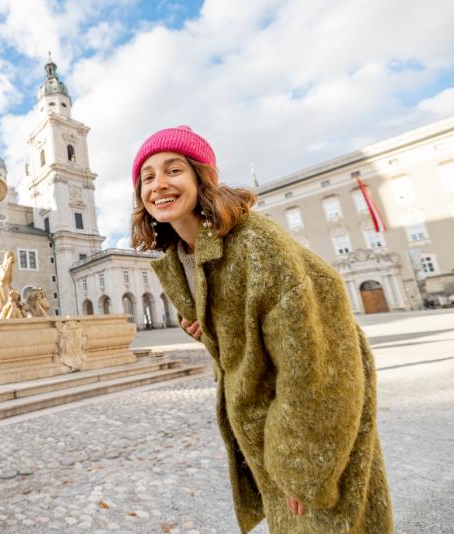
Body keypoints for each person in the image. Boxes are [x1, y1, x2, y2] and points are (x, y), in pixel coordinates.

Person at [130, 126, 393, 533]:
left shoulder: (255, 243)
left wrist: (302, 462)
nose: (158, 184)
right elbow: (255, 324)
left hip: (312, 433)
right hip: (269, 432)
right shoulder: (186, 252)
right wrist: (212, 329)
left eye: (173, 170)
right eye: (147, 177)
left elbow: (318, 360)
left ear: (202, 177)